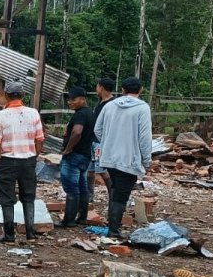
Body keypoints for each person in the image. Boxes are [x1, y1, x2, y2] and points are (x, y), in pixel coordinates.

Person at [94, 77, 153, 239]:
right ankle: (114, 229)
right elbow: (145, 137)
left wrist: (108, 143)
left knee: (115, 189)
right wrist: (147, 160)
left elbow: (97, 129)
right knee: (122, 194)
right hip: (130, 158)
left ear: (122, 90)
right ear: (140, 90)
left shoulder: (110, 106)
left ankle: (113, 226)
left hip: (110, 156)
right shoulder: (142, 108)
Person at [0, 80, 44, 243]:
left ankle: (9, 234)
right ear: (23, 96)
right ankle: (30, 233)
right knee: (28, 196)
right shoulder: (33, 113)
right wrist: (34, 156)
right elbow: (40, 139)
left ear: (6, 96)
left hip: (7, 161)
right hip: (28, 160)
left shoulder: (0, 116)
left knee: (6, 198)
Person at [58, 86, 94, 227]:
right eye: (69, 100)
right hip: (85, 155)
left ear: (82, 99)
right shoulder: (90, 113)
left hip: (75, 155)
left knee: (72, 189)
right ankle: (82, 217)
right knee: (82, 187)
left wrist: (68, 149)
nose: (70, 102)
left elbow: (77, 132)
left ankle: (69, 220)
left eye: (73, 99)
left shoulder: (80, 114)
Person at [87, 78, 116, 200]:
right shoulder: (101, 103)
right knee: (90, 169)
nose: (96, 89)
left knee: (102, 169)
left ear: (101, 88)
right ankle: (89, 196)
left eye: (97, 86)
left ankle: (113, 195)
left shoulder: (112, 104)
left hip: (101, 142)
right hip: (93, 140)